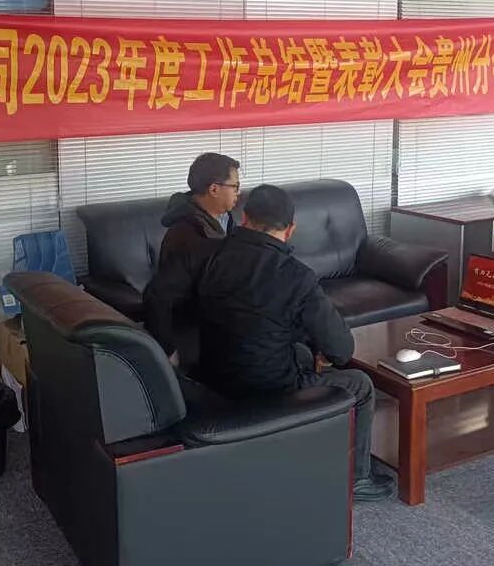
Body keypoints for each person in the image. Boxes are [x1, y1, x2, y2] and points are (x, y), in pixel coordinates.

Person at [194, 183, 394, 502]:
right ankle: (357, 479)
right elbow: (342, 351)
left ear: (245, 218)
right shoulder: (296, 276)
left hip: (213, 376)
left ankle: (307, 446)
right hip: (268, 388)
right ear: (290, 230)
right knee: (360, 384)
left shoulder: (212, 256)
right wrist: (322, 346)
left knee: (301, 352)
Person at [144, 153, 241, 359]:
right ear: (214, 189)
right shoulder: (186, 236)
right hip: (197, 330)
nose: (238, 193)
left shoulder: (224, 218)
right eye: (235, 186)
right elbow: (158, 297)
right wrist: (168, 351)